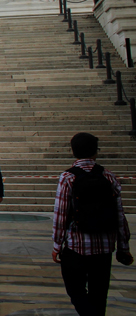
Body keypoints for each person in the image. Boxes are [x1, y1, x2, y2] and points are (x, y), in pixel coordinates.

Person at [53, 132, 133, 315]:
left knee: (76, 291)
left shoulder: (67, 178)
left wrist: (57, 244)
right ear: (95, 152)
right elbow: (120, 215)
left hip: (76, 245)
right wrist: (123, 246)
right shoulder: (109, 176)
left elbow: (61, 214)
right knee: (99, 294)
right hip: (104, 246)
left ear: (73, 152)